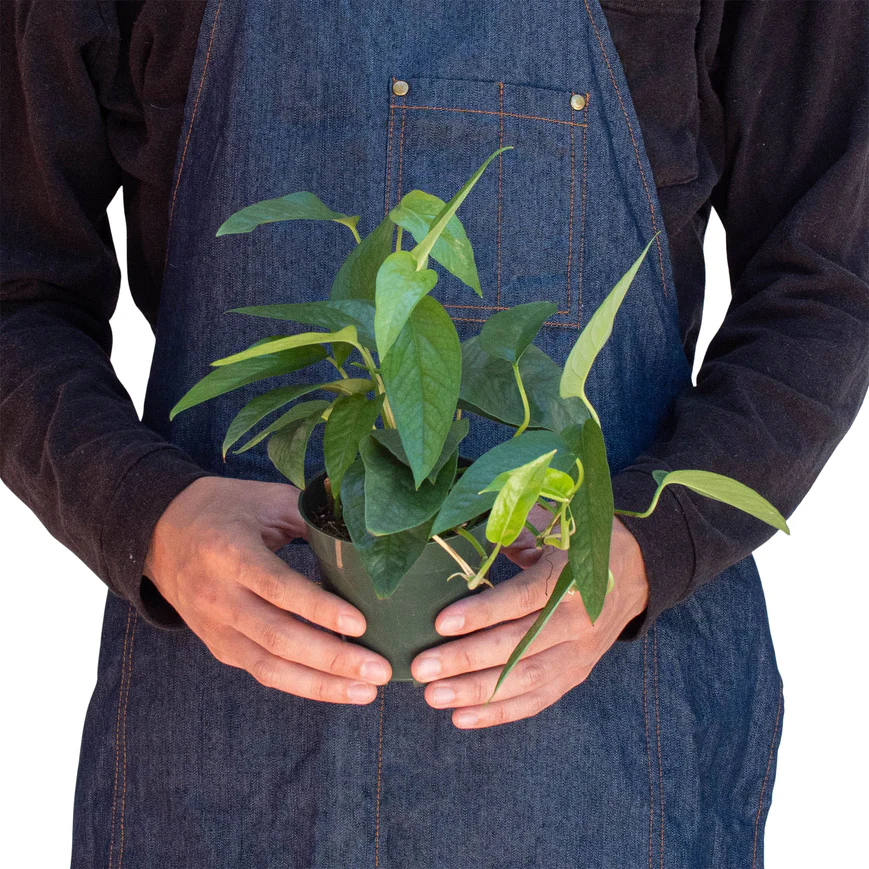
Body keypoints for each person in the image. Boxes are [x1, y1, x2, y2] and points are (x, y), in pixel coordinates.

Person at [2, 1, 867, 866]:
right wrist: (145, 515)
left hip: (604, 758)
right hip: (219, 746)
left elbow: (830, 277)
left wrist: (647, 545)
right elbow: (17, 290)